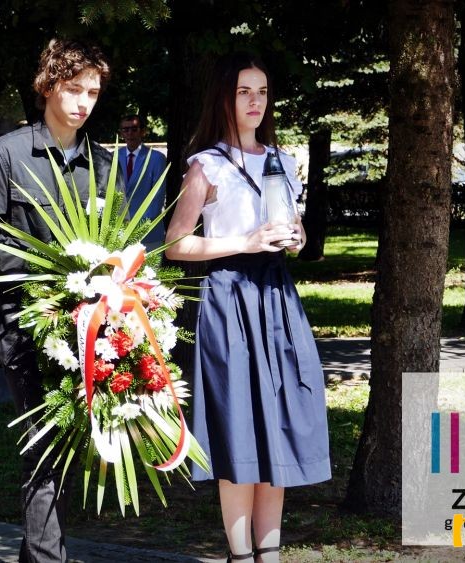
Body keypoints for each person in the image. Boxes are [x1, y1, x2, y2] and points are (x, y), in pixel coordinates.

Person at [164, 52, 331, 562]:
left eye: (261, 92)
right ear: (225, 98)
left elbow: (293, 231)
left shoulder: (282, 160)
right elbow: (176, 244)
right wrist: (246, 242)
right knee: (239, 429)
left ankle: (270, 556)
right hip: (229, 298)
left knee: (276, 426)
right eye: (243, 92)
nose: (254, 101)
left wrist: (296, 237)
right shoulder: (207, 164)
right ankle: (240, 557)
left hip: (277, 299)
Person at [0, 38, 112, 562]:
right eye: (73, 89)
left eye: (92, 92)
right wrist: (47, 269)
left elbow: (113, 239)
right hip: (25, 324)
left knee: (68, 451)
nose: (83, 102)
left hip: (88, 327)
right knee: (45, 450)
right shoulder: (6, 154)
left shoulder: (101, 162)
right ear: (48, 86)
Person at [117, 114, 167, 249]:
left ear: (143, 131)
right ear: (121, 133)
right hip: (118, 234)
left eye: (134, 129)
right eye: (125, 129)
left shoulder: (157, 158)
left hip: (148, 234)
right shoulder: (113, 157)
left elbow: (157, 199)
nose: (129, 133)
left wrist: (136, 228)